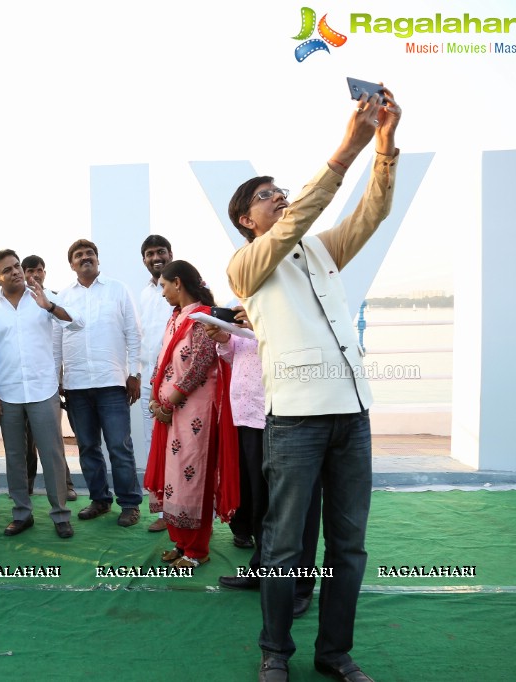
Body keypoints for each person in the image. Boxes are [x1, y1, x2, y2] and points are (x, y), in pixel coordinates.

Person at [227, 88, 402, 682]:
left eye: (279, 191)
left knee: (349, 548)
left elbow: (371, 215)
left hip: (353, 415)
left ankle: (335, 654)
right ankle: (275, 651)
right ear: (247, 222)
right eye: (264, 196)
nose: (278, 199)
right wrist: (344, 149)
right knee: (282, 548)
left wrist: (382, 147)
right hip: (296, 421)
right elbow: (299, 215)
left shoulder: (320, 251)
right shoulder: (247, 265)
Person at [208, 309, 321, 619]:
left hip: (286, 414)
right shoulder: (244, 302)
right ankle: (261, 569)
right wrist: (224, 339)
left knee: (296, 506)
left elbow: (299, 346)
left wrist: (260, 324)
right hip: (247, 414)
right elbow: (238, 355)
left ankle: (300, 585)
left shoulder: (288, 300)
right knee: (260, 503)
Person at [143, 260, 238, 568]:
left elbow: (198, 366)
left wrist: (168, 403)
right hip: (172, 410)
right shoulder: (176, 317)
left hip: (195, 412)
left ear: (178, 283)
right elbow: (163, 361)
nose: (162, 293)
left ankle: (197, 551)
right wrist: (156, 400)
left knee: (192, 477)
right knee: (174, 477)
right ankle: (181, 544)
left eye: (164, 286)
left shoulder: (204, 318)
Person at [0, 249, 80, 539]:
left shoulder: (43, 296)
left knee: (52, 454)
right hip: (8, 392)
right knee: (14, 456)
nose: (16, 272)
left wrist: (48, 306)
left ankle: (60, 515)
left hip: (43, 389)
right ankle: (22, 514)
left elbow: (76, 322)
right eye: (8, 269)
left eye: (17, 266)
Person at [55, 239, 143, 526]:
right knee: (88, 447)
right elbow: (57, 341)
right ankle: (99, 500)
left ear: (98, 259)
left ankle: (129, 503)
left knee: (119, 445)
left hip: (112, 382)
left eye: (90, 253)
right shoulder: (64, 297)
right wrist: (58, 377)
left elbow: (134, 334)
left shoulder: (118, 290)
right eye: (78, 255)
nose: (85, 258)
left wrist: (135, 374)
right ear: (71, 264)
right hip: (77, 385)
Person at [20, 254, 77, 501]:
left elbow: (67, 338)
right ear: (22, 273)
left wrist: (61, 378)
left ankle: (66, 486)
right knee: (25, 442)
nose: (35, 274)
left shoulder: (55, 299)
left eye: (40, 270)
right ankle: (26, 486)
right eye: (30, 270)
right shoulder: (18, 301)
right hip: (23, 384)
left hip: (52, 384)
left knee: (53, 440)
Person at [135, 236, 176, 533]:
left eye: (160, 252)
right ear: (144, 260)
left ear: (170, 254)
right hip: (151, 380)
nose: (156, 257)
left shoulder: (183, 287)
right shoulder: (146, 294)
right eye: (150, 254)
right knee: (156, 447)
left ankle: (187, 511)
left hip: (179, 382)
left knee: (182, 447)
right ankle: (164, 511)